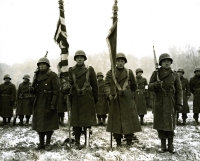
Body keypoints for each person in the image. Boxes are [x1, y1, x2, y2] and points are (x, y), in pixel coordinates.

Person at [104, 52, 141, 147]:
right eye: (118, 61)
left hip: (127, 100)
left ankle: (129, 140)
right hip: (115, 99)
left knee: (129, 121)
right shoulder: (110, 72)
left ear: (125, 62)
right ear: (115, 62)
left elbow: (134, 86)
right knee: (116, 122)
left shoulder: (129, 72)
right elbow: (107, 85)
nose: (120, 63)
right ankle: (118, 141)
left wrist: (129, 94)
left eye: (122, 61)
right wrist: (109, 94)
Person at [149, 53, 183, 153]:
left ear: (171, 62)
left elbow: (179, 90)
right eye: (164, 61)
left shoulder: (175, 74)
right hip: (159, 101)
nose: (166, 63)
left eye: (168, 61)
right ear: (161, 63)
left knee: (171, 124)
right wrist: (156, 84)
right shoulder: (156, 73)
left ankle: (171, 145)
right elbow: (149, 86)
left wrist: (179, 103)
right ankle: (163, 145)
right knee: (160, 124)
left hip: (171, 101)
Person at [67, 50, 98, 149]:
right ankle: (76, 142)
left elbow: (95, 85)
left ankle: (87, 142)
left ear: (84, 59)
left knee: (87, 121)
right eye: (77, 57)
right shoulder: (71, 70)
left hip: (87, 98)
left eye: (81, 57)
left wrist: (95, 98)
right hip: (75, 97)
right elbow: (69, 83)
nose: (79, 59)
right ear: (75, 59)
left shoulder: (90, 69)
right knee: (76, 121)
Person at [31, 56, 60, 150]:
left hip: (48, 101)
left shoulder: (52, 75)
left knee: (48, 123)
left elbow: (56, 91)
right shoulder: (36, 75)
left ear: (47, 65)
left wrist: (53, 104)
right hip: (39, 101)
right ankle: (41, 143)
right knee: (39, 123)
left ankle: (47, 143)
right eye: (40, 64)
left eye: (43, 64)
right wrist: (32, 89)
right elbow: (34, 90)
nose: (41, 66)